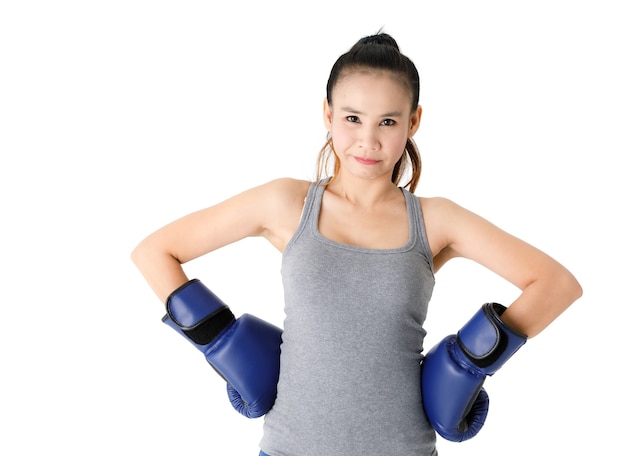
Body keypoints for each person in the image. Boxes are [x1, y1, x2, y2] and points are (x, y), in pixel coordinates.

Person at [131, 32, 582, 456]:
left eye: (388, 121)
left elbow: (556, 284)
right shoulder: (285, 204)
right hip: (290, 447)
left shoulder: (434, 219)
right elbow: (155, 252)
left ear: (414, 121)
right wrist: (221, 342)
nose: (368, 140)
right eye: (352, 118)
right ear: (328, 115)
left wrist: (470, 362)